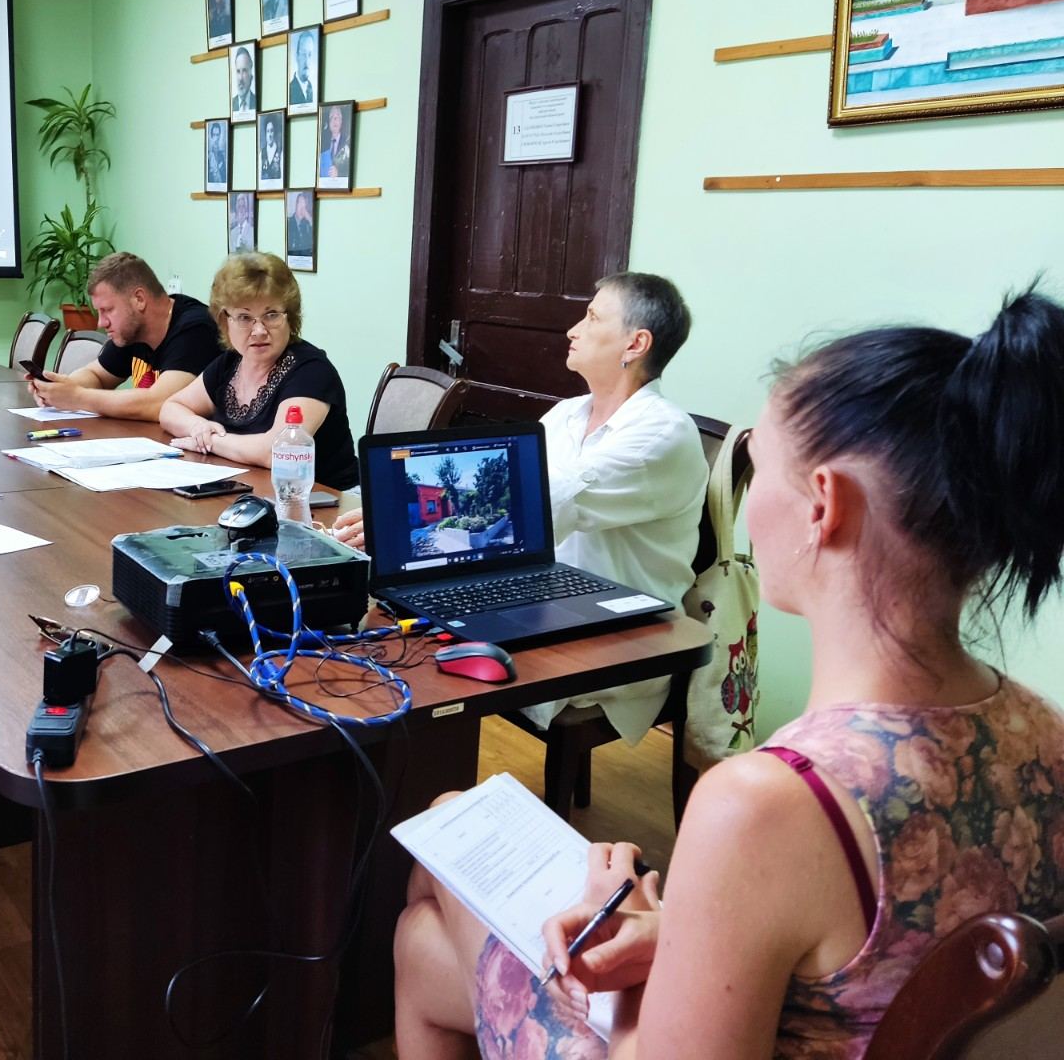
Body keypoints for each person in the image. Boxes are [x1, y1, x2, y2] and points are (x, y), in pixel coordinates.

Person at [394, 285, 1064, 1060]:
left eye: (760, 464)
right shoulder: (1045, 732)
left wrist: (656, 915)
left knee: (441, 857)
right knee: (424, 935)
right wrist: (675, 930)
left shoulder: (767, 806)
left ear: (824, 506)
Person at [336, 274, 706, 740]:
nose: (573, 330)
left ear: (636, 343)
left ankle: (428, 783)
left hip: (619, 631)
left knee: (421, 659)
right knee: (398, 629)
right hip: (540, 596)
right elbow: (515, 496)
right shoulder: (568, 413)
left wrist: (397, 528)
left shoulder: (662, 433)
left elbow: (535, 509)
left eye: (592, 317)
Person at [160, 252, 358, 489]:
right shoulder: (231, 363)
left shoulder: (312, 370)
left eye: (271, 315)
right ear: (225, 321)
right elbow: (171, 408)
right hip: (251, 492)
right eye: (244, 317)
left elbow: (276, 452)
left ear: (290, 317)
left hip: (324, 503)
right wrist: (197, 427)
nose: (259, 330)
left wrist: (210, 441)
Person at [29, 252, 223, 421]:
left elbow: (160, 404)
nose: (101, 323)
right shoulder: (132, 330)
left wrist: (78, 397)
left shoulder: (196, 329)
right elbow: (97, 375)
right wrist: (60, 389)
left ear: (139, 299)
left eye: (107, 310)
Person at [318, 104, 350, 179]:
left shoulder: (347, 143)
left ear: (341, 121)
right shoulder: (323, 144)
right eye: (332, 117)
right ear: (329, 123)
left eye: (338, 116)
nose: (335, 119)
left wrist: (339, 174)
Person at [288, 31, 317, 108]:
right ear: (297, 56)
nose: (307, 60)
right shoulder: (290, 89)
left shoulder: (311, 88)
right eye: (303, 54)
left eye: (310, 54)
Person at [287, 192, 315, 256]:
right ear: (296, 205)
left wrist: (309, 219)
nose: (302, 208)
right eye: (300, 203)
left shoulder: (308, 223)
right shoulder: (289, 222)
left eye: (304, 205)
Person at [231, 46, 256, 114]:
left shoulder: (256, 101)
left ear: (251, 75)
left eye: (244, 71)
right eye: (238, 71)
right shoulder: (231, 104)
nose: (240, 78)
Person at [260, 116, 283, 182]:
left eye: (271, 131)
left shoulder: (280, 152)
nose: (269, 135)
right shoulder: (262, 153)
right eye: (267, 131)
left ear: (274, 133)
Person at [206, 121, 228, 186]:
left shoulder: (221, 155)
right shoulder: (207, 154)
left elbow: (224, 177)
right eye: (214, 134)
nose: (216, 137)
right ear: (211, 135)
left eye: (217, 135)